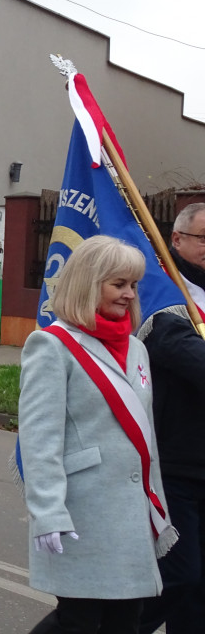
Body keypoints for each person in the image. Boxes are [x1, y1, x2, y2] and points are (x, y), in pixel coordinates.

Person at [18, 235, 176, 634]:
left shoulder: (136, 348)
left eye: (133, 285)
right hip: (82, 510)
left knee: (127, 617)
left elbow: (146, 440)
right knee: (80, 620)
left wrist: (157, 508)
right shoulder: (52, 346)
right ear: (90, 282)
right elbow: (40, 439)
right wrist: (48, 512)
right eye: (118, 284)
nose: (129, 294)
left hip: (133, 511)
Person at [136, 203, 205, 634]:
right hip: (174, 466)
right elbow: (188, 357)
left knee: (198, 589)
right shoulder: (163, 294)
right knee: (177, 577)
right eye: (204, 239)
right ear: (176, 240)